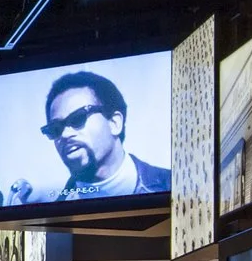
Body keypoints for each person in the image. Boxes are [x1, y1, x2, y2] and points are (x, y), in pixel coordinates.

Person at [9, 70, 170, 205]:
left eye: (78, 118)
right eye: (55, 129)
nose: (65, 134)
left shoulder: (175, 185)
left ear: (114, 123)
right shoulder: (47, 209)